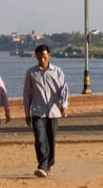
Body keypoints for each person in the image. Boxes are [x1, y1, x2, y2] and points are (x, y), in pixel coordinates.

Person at [23, 45, 69, 177]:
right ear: (36, 56)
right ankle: (42, 165)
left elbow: (63, 89)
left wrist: (63, 105)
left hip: (54, 111)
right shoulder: (31, 73)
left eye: (44, 54)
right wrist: (27, 112)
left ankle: (49, 165)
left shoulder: (57, 71)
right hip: (38, 111)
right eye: (39, 55)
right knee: (39, 138)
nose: (42, 58)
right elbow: (27, 94)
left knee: (50, 139)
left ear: (48, 55)